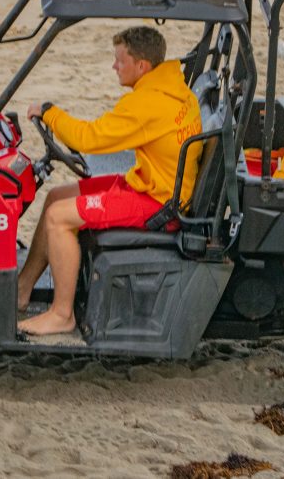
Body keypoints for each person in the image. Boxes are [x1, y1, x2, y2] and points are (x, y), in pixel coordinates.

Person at [17, 26, 203, 335]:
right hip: (156, 184)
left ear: (141, 66)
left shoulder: (148, 104)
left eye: (119, 60)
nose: (114, 67)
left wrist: (48, 112)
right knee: (57, 197)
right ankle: (23, 288)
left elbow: (88, 138)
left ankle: (62, 314)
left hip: (159, 204)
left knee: (58, 217)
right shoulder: (176, 89)